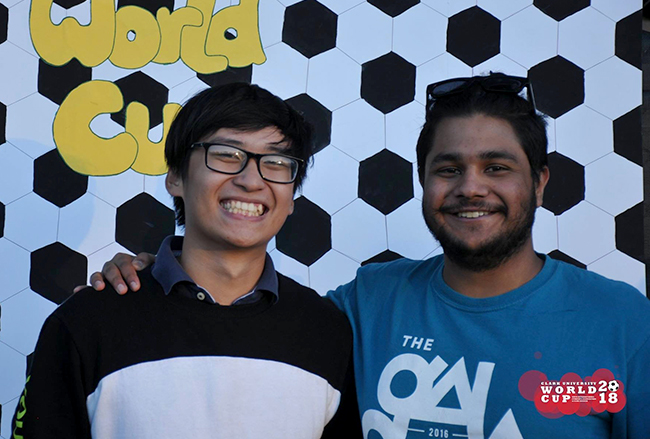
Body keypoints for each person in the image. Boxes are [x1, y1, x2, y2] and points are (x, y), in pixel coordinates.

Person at [87, 74, 650, 438]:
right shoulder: (364, 305)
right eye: (448, 169)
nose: (471, 188)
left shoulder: (622, 322)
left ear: (542, 182)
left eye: (497, 168)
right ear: (423, 182)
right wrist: (152, 276)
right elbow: (235, 317)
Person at [12, 83, 360, 439]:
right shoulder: (86, 321)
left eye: (275, 162)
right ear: (176, 177)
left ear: (291, 199)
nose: (251, 180)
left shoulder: (328, 332)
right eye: (226, 154)